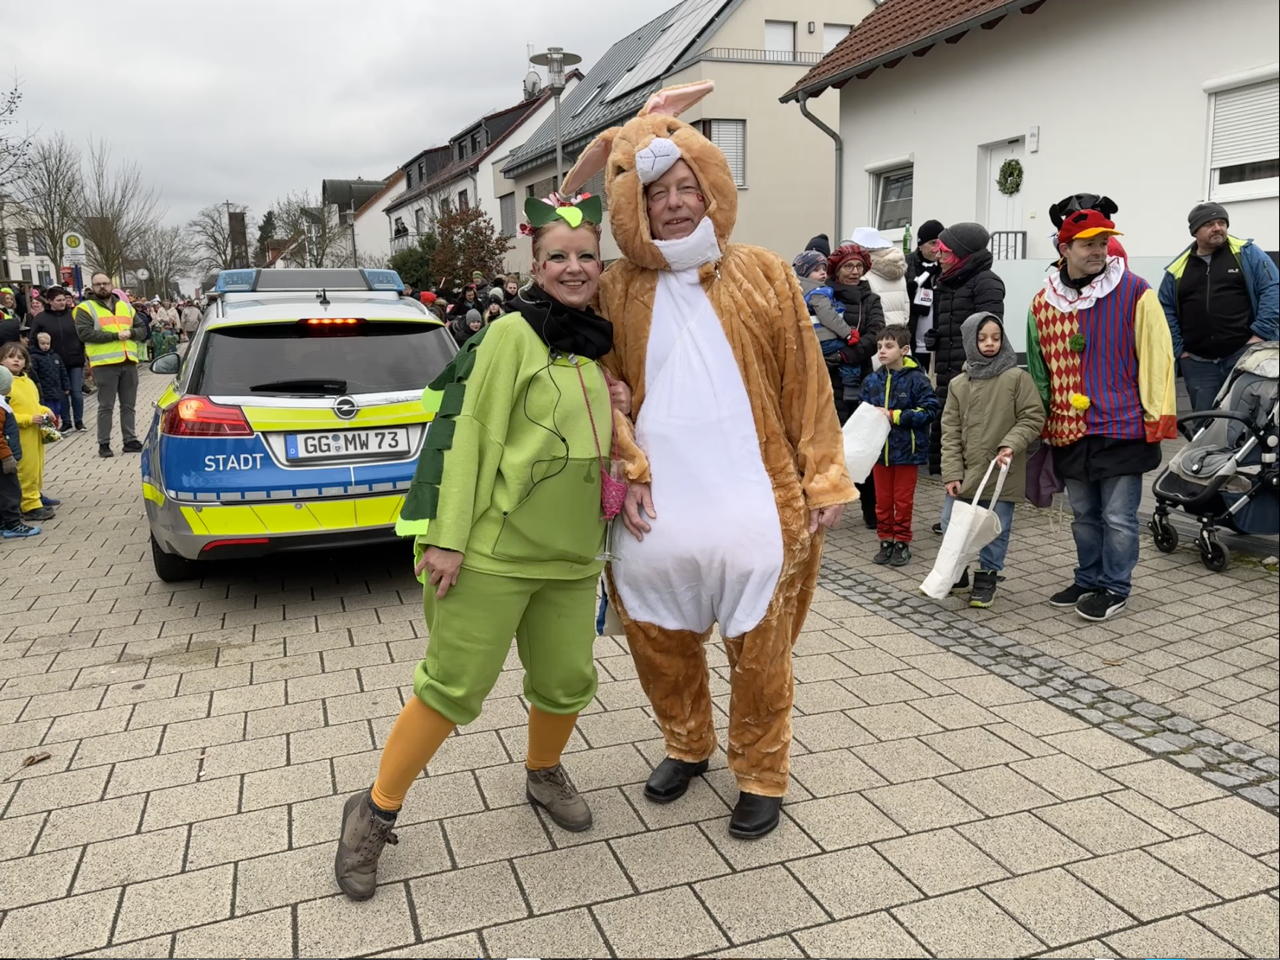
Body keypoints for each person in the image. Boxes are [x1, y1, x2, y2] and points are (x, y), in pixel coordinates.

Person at [567, 80, 856, 839]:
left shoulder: (761, 270)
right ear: (634, 206)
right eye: (657, 193)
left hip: (752, 499)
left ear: (711, 188)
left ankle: (761, 770)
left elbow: (805, 378)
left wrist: (825, 473)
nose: (673, 204)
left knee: (760, 651)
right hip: (655, 502)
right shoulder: (616, 288)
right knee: (659, 641)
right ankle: (686, 743)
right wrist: (611, 400)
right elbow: (587, 376)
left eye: (685, 187)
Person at [334, 191, 623, 901]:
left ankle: (543, 771)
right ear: (535, 263)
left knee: (565, 682)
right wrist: (446, 539)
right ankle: (373, 812)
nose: (574, 267)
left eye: (586, 256)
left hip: (572, 555)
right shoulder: (509, 336)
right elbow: (467, 437)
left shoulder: (596, 341)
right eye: (559, 256)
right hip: (493, 551)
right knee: (453, 689)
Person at [1026, 208, 1176, 621]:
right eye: (1088, 243)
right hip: (1069, 426)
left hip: (1122, 423)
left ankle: (1115, 585)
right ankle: (1088, 578)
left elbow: (1158, 356)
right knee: (1083, 515)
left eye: (1103, 242)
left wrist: (1157, 413)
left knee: (1118, 516)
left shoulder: (1134, 291)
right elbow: (1039, 368)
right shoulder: (1043, 302)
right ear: (1065, 248)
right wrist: (1039, 419)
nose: (1098, 250)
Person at [939, 312, 1045, 607]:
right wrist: (951, 472)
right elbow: (950, 430)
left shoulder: (1016, 377)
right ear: (970, 341)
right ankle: (957, 572)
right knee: (950, 523)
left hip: (1001, 471)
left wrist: (1011, 444)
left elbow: (1032, 416)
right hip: (966, 471)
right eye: (982, 338)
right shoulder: (959, 384)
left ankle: (987, 576)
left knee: (996, 527)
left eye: (995, 338)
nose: (989, 344)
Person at [1158, 201, 1279, 412]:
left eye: (1222, 222)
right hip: (1198, 362)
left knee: (1246, 420)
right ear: (1195, 231)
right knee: (1205, 422)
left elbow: (1272, 289)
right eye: (1209, 224)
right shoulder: (1178, 268)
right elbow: (1165, 308)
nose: (1217, 228)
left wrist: (1260, 334)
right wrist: (1180, 349)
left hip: (1243, 355)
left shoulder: (1247, 254)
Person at [927, 221, 1005, 490]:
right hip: (947, 373)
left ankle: (974, 508)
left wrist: (974, 370)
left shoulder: (987, 283)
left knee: (972, 445)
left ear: (962, 254)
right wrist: (936, 336)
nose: (938, 256)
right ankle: (955, 507)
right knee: (950, 443)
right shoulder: (946, 282)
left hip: (973, 377)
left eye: (944, 252)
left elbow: (989, 332)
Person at [860, 325, 939, 568]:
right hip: (879, 455)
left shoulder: (917, 380)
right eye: (879, 346)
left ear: (904, 350)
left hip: (907, 454)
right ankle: (885, 540)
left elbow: (930, 410)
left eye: (889, 346)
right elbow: (863, 413)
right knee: (882, 501)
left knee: (902, 501)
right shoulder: (872, 380)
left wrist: (894, 415)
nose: (882, 351)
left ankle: (902, 541)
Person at [818, 243, 885, 528]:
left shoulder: (871, 299)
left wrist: (847, 354)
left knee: (863, 444)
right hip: (827, 379)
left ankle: (872, 511)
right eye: (848, 266)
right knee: (829, 446)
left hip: (860, 380)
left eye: (859, 266)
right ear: (837, 269)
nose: (855, 271)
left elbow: (876, 334)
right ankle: (824, 507)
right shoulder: (823, 295)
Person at [74, 272, 148, 458]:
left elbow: (142, 329)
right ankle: (104, 443)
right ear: (92, 287)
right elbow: (85, 334)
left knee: (128, 405)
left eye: (105, 283)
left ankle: (130, 440)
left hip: (128, 362)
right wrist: (116, 336)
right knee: (106, 406)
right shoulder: (85, 308)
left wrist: (130, 333)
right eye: (98, 284)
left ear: (111, 285)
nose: (102, 287)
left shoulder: (125, 306)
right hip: (104, 364)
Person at [0, 343, 57, 522]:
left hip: (35, 434)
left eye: (20, 357)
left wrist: (44, 410)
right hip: (20, 435)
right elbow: (7, 413)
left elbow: (33, 404)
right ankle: (29, 505)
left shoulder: (28, 381)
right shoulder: (6, 384)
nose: (16, 360)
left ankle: (35, 495)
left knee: (36, 468)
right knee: (24, 470)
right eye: (11, 356)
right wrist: (28, 419)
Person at [30, 287, 87, 431]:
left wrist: (84, 354)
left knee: (76, 393)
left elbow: (82, 335)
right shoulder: (41, 318)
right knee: (62, 394)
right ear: (50, 301)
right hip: (53, 362)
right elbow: (33, 339)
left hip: (75, 360)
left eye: (64, 300)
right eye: (58, 300)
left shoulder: (73, 315)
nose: (63, 303)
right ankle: (66, 421)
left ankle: (79, 421)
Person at [0, 366, 40, 538]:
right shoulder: (1, 407)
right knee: (10, 491)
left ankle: (3, 523)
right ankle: (13, 523)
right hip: (5, 459)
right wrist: (7, 456)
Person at [905, 219, 943, 376]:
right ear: (920, 245)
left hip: (937, 342)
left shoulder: (946, 265)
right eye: (933, 243)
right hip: (913, 339)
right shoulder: (906, 264)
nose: (937, 248)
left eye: (940, 243)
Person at [852, 226, 910, 328]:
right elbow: (906, 306)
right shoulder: (898, 268)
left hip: (878, 336)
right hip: (900, 334)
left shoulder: (864, 275)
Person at [30, 332, 70, 427]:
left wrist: (66, 386)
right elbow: (33, 374)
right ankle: (48, 428)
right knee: (47, 409)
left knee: (57, 409)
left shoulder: (55, 356)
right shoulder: (34, 357)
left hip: (56, 390)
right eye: (42, 343)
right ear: (37, 343)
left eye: (47, 344)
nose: (45, 346)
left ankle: (55, 427)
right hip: (44, 391)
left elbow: (63, 372)